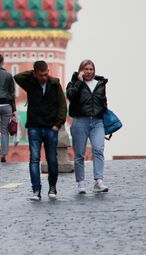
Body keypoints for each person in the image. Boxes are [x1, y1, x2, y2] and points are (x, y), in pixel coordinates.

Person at [14, 61, 67, 201]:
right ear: (35, 74)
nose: (44, 77)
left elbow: (62, 105)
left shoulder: (55, 84)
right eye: (41, 75)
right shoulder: (30, 84)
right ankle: (36, 191)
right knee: (34, 159)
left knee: (52, 160)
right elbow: (17, 77)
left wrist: (58, 124)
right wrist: (31, 74)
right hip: (34, 127)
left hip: (51, 128)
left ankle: (52, 188)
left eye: (46, 74)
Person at [66, 60, 109, 194]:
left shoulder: (100, 83)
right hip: (80, 121)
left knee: (98, 149)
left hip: (97, 121)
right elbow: (70, 96)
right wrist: (79, 81)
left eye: (91, 69)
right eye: (86, 69)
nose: (89, 72)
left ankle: (99, 181)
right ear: (81, 70)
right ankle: (81, 182)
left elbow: (103, 101)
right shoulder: (74, 83)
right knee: (79, 154)